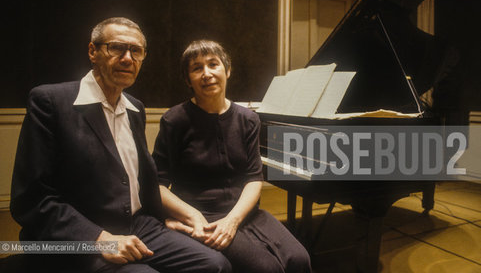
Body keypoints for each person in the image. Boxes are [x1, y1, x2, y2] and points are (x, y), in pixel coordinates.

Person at [10, 18, 232, 273]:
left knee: (216, 265)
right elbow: (31, 199)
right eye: (117, 48)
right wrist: (97, 238)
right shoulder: (50, 101)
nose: (128, 58)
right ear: (93, 52)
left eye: (136, 51)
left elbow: (139, 184)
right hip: (79, 236)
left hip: (140, 226)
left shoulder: (135, 108)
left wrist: (164, 220)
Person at [152, 40, 312, 273]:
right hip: (201, 216)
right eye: (197, 68)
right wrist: (193, 216)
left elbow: (253, 178)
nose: (206, 74)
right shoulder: (174, 120)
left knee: (300, 259)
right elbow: (158, 185)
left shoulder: (248, 119)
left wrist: (233, 220)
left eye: (213, 64)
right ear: (188, 80)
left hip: (244, 212)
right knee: (265, 268)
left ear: (227, 70)